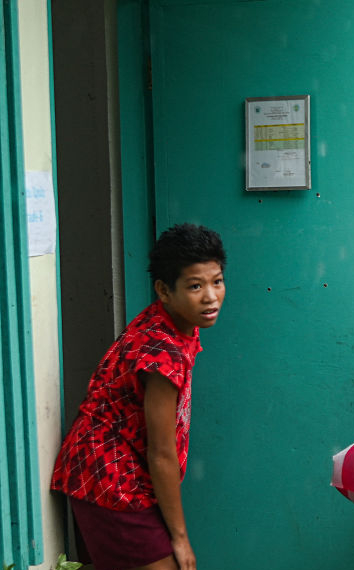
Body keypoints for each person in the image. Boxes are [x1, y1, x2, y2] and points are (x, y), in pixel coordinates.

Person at [51, 223, 227, 570]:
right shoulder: (162, 353)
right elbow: (161, 453)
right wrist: (180, 538)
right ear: (164, 290)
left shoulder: (171, 323)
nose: (210, 296)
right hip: (110, 480)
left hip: (106, 472)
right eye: (195, 286)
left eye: (217, 281)